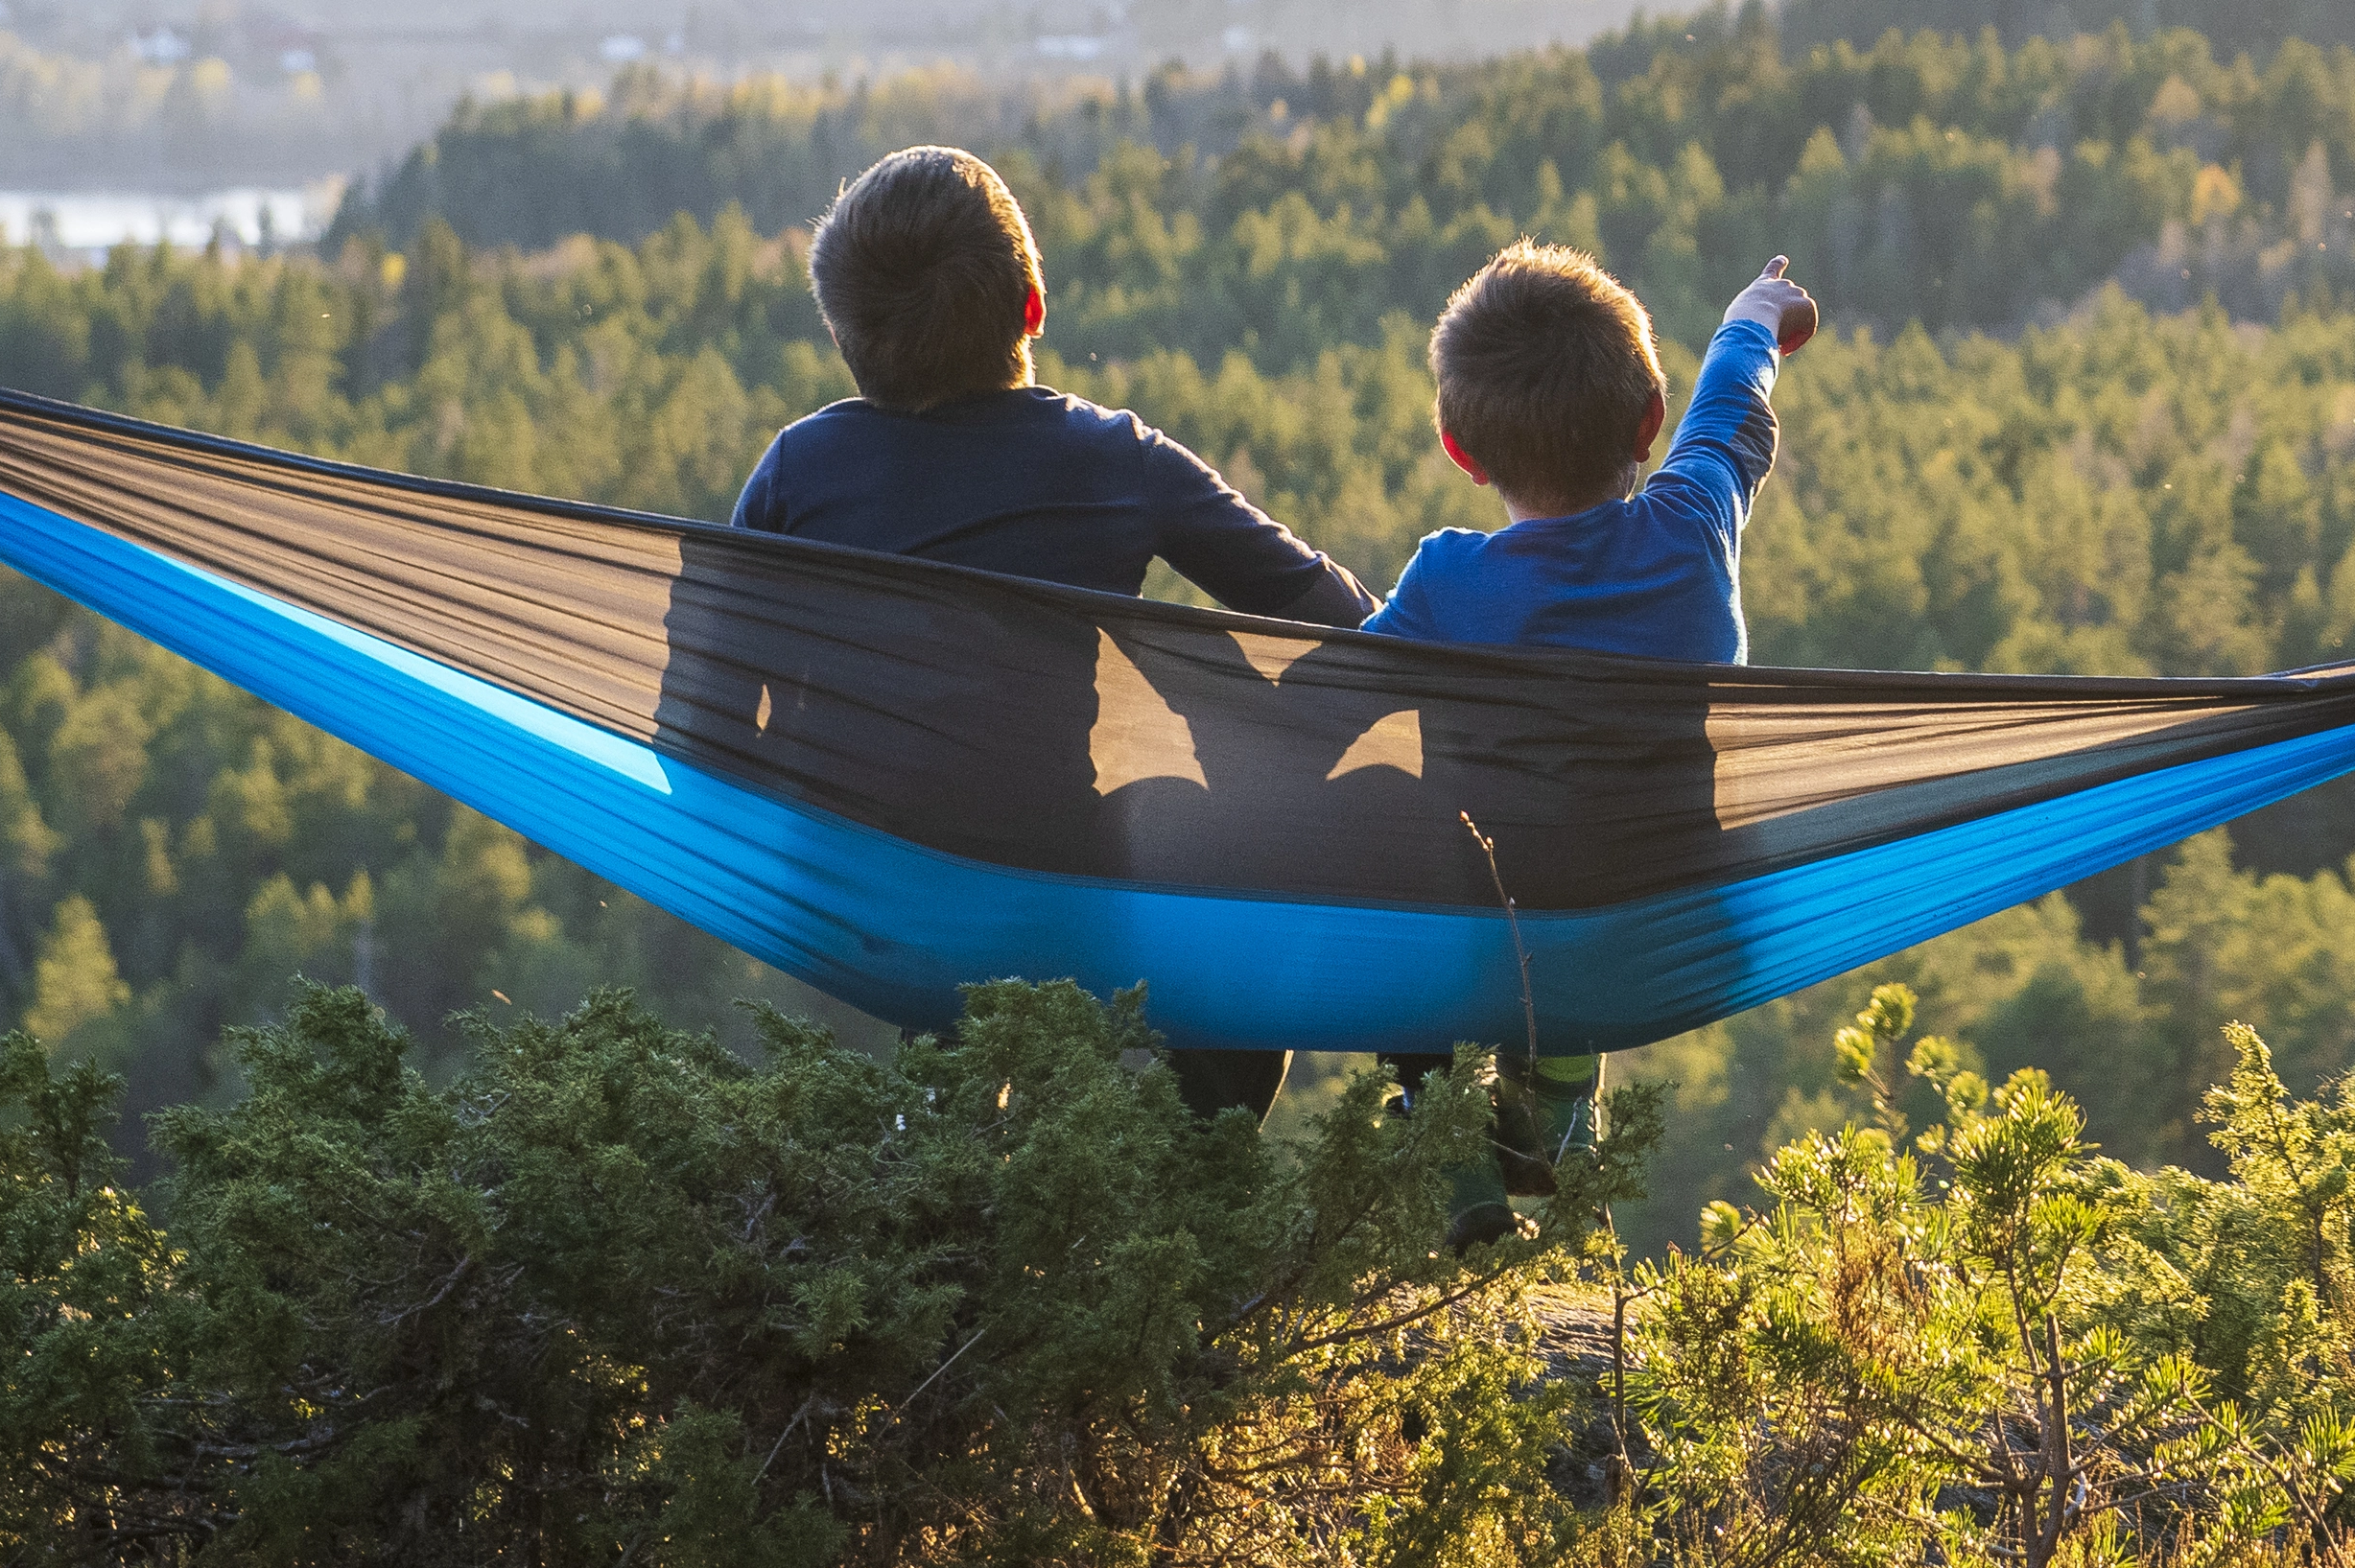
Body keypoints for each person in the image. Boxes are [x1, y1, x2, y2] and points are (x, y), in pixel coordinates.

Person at [727, 142, 1371, 1119]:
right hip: (1067, 871)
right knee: (1213, 877)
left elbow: (708, 692)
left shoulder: (799, 468)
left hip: (875, 884)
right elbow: (1334, 616)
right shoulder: (1113, 460)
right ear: (1030, 309)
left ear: (843, 338)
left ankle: (942, 1141)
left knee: (947, 931)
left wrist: (807, 811)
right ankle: (1192, 1186)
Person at [1368, 238, 1818, 1245]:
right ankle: (1558, 1095)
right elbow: (1730, 411)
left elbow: (1325, 701)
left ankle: (1447, 1153)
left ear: (1461, 451)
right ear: (1648, 421)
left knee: (1387, 854)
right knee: (1586, 862)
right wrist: (1752, 317)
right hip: (1671, 919)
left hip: (1489, 931)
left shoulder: (1446, 582)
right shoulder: (1692, 526)